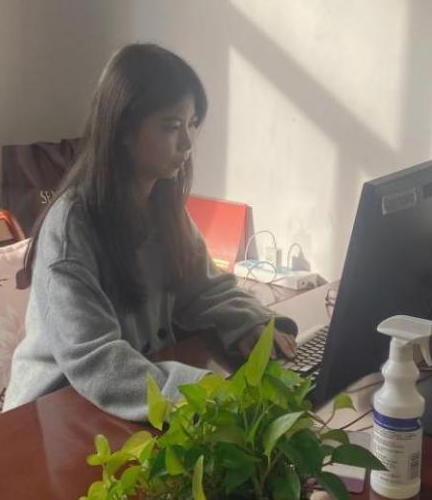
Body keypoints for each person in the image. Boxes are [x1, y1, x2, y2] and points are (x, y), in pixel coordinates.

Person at [3, 43, 297, 421]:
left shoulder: (162, 205)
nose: (187, 143)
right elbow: (96, 359)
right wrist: (203, 393)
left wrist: (250, 323)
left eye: (192, 123)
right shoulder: (72, 229)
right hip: (50, 416)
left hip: (126, 399)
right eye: (172, 126)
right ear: (123, 129)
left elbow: (203, 288)